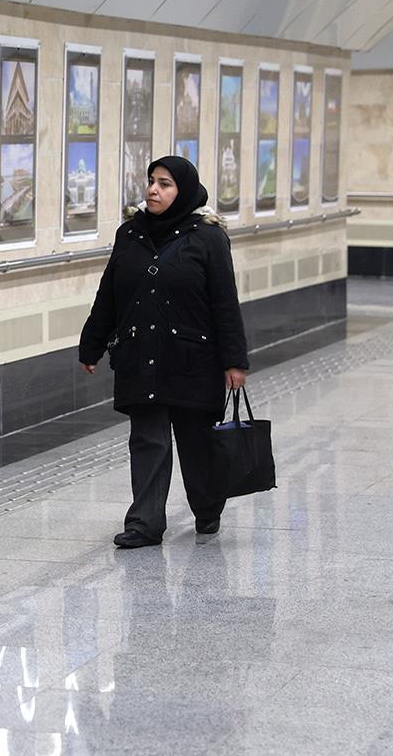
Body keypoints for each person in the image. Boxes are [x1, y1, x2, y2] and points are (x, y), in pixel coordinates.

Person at [78, 155, 249, 548]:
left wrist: (234, 361)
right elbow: (109, 294)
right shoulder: (130, 234)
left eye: (165, 184)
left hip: (193, 358)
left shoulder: (208, 238)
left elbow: (225, 302)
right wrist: (92, 344)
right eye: (152, 181)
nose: (153, 190)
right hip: (140, 354)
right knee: (147, 440)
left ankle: (207, 508)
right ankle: (145, 523)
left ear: (183, 190)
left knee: (196, 443)